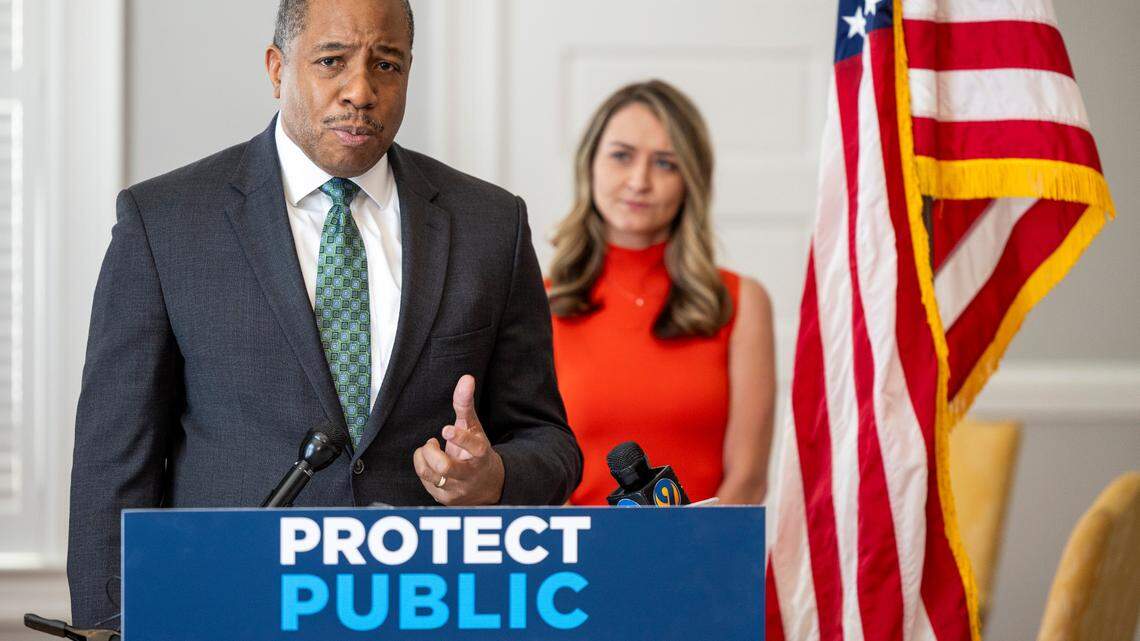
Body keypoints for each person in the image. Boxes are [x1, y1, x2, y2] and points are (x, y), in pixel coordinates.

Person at [67, 0, 581, 625]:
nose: (361, 91)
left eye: (386, 65)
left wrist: (492, 477)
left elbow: (548, 442)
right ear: (277, 68)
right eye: (332, 61)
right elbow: (113, 464)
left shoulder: (491, 225)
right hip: (232, 607)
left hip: (430, 608)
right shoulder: (166, 222)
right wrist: (110, 627)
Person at [548, 80, 774, 506]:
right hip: (579, 548)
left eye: (666, 163)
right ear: (589, 164)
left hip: (706, 547)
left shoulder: (742, 302)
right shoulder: (537, 304)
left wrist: (688, 548)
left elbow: (747, 480)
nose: (639, 181)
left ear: (691, 180)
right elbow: (533, 473)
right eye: (621, 156)